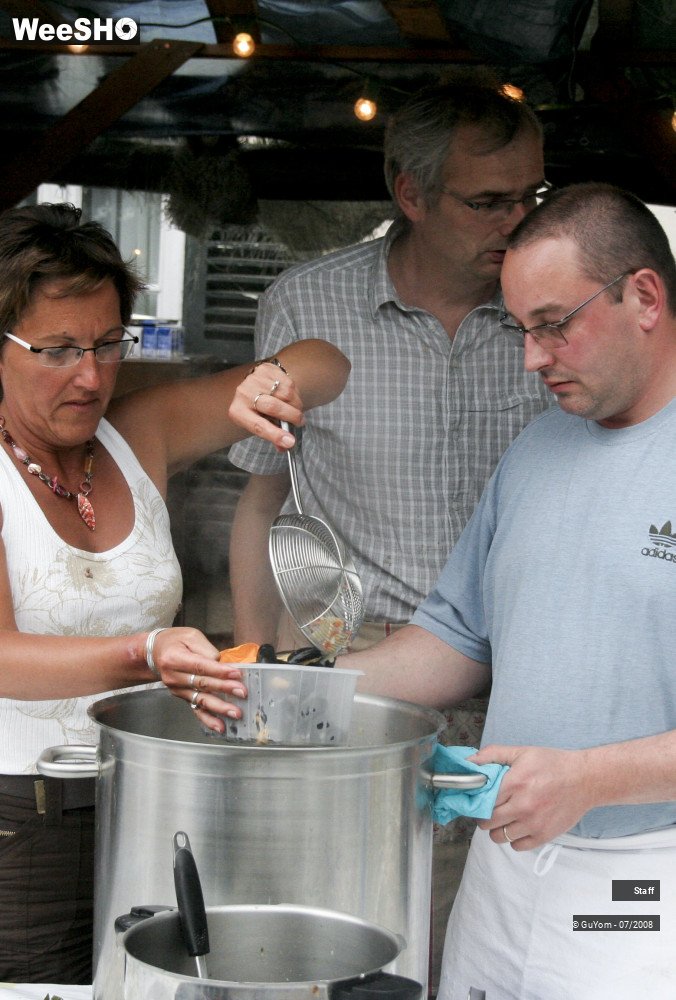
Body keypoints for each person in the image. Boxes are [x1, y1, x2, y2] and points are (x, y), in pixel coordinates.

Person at [227, 71, 553, 985]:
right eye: (489, 201)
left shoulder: (552, 314)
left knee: (488, 937)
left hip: (514, 670)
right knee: (350, 931)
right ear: (408, 193)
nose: (517, 221)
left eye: (531, 196)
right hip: (355, 663)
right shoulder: (307, 304)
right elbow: (263, 499)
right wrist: (261, 675)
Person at [330, 182, 676, 999]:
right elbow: (455, 641)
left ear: (646, 297)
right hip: (501, 868)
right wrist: (293, 688)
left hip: (643, 884)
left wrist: (590, 780)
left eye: (554, 325)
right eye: (523, 330)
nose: (532, 358)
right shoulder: (539, 445)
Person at [0, 201, 350, 985]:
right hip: (20, 821)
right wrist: (148, 653)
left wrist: (272, 380)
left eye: (106, 344)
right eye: (57, 350)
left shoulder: (138, 432)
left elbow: (330, 361)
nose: (90, 376)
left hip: (155, 800)